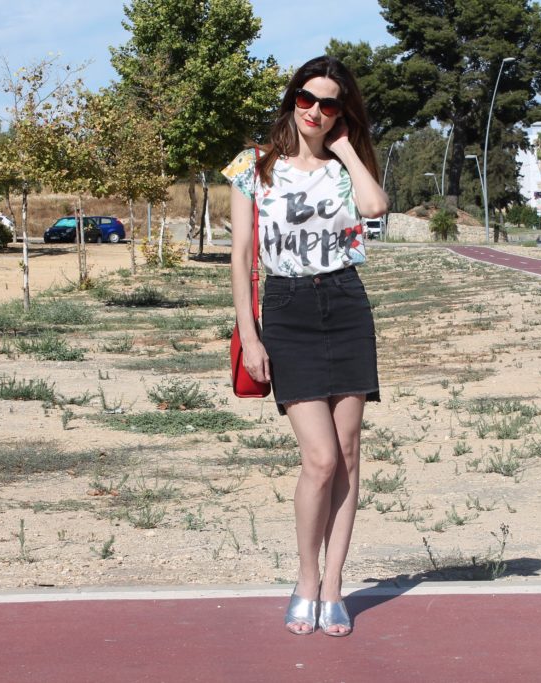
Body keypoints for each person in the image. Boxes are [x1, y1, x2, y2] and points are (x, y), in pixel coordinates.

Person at [223, 55, 388, 637]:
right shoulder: (254, 166)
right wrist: (250, 334)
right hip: (287, 308)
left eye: (330, 104)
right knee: (318, 459)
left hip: (345, 302)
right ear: (292, 99)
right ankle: (305, 579)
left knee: (347, 454)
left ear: (342, 112)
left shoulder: (347, 163)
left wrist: (344, 149)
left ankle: (336, 586)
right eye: (307, 100)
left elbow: (375, 208)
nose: (316, 112)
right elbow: (243, 257)